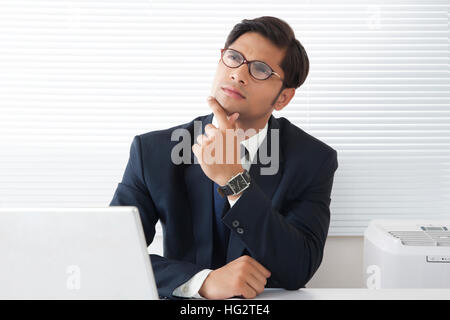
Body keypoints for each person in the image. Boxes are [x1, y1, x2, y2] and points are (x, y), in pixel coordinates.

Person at [110, 16, 338, 300]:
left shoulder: (313, 159)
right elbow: (110, 255)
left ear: (282, 98)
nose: (238, 74)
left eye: (260, 69)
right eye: (233, 57)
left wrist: (234, 180)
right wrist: (201, 281)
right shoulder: (152, 151)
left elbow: (298, 267)